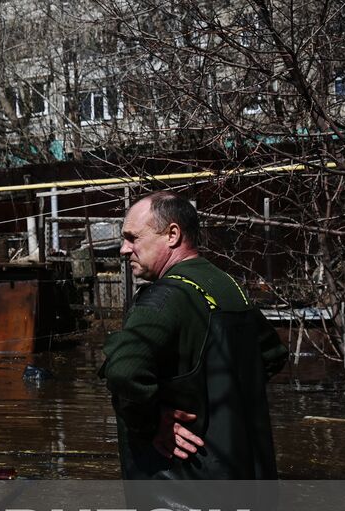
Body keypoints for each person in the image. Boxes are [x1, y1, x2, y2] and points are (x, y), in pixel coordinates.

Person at [100, 191, 287, 481]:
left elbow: (124, 372)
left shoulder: (162, 299)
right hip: (247, 485)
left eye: (133, 238)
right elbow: (273, 355)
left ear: (172, 234)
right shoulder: (228, 286)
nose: (124, 249)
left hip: (184, 499)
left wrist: (152, 423)